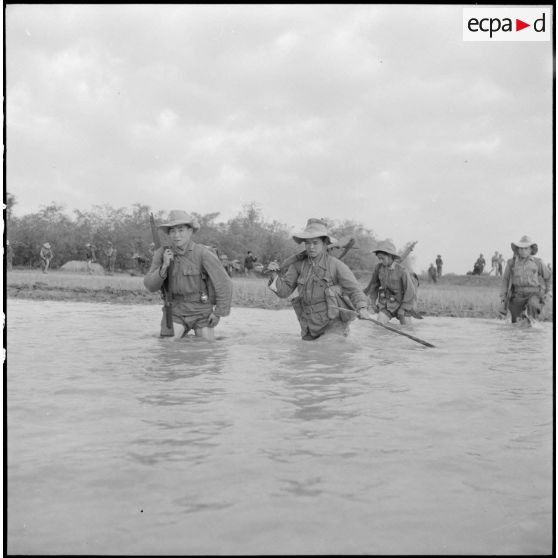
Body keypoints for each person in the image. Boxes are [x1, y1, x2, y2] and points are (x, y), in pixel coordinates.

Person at [267, 218, 371, 341]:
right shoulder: (297, 265)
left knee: (326, 347)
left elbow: (355, 290)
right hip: (309, 328)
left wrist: (362, 308)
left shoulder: (336, 265)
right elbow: (284, 292)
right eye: (307, 243)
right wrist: (273, 275)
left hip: (334, 326)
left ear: (325, 243)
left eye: (315, 243)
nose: (311, 247)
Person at [144, 210, 233, 340]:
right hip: (175, 311)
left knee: (206, 347)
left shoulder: (203, 253)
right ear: (168, 233)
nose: (176, 235)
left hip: (201, 311)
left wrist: (218, 313)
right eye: (172, 231)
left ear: (190, 231)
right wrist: (164, 267)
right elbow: (150, 286)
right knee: (166, 347)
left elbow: (224, 283)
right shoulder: (161, 253)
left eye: (181, 230)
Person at [499, 235, 552, 323]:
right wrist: (503, 297)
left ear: (531, 249)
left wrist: (549, 291)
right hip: (517, 295)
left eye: (526, 248)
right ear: (517, 250)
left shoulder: (538, 262)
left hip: (534, 294)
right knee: (516, 323)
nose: (523, 251)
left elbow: (548, 277)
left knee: (532, 310)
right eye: (520, 248)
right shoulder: (511, 263)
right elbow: (505, 280)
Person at [364, 241, 417, 325]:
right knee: (379, 325)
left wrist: (403, 308)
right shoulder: (378, 268)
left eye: (383, 258)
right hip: (387, 305)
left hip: (403, 304)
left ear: (390, 256)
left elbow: (410, 291)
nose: (381, 261)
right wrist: (373, 302)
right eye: (379, 259)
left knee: (407, 329)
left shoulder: (401, 270)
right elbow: (374, 286)